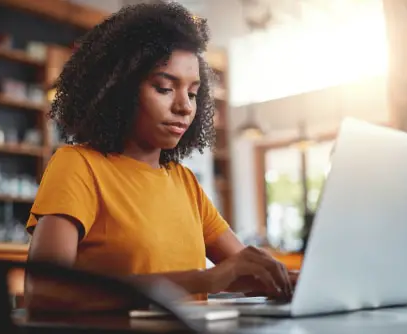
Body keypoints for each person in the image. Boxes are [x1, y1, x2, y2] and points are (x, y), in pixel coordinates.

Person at [25, 2, 297, 312]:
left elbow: (243, 269)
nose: (184, 106)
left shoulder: (184, 182)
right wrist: (203, 280)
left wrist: (293, 281)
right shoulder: (79, 166)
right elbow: (44, 293)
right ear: (119, 90)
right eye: (165, 88)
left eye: (193, 93)